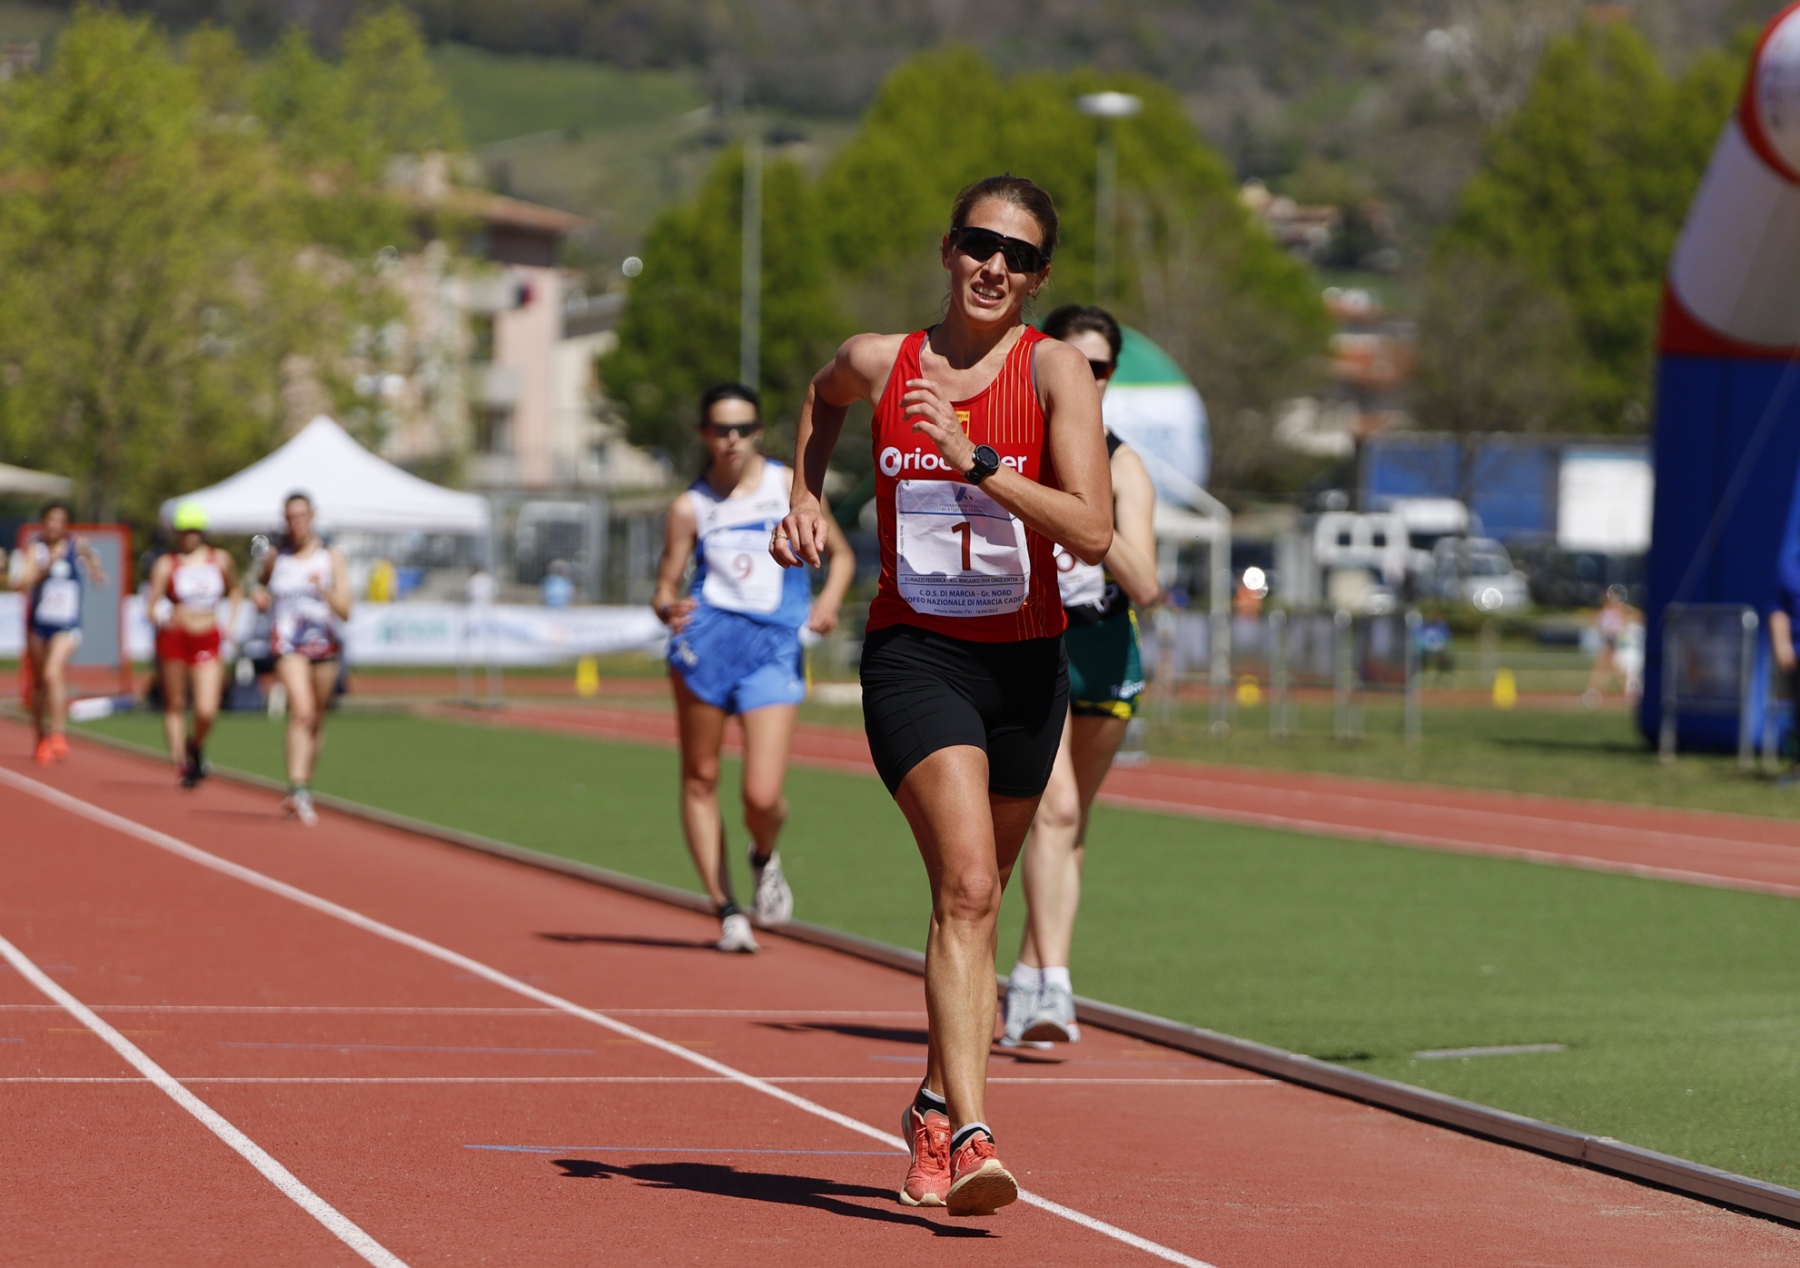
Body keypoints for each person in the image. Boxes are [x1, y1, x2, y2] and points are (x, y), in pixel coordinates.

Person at [773, 175, 1113, 1216]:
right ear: (948, 247)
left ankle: (929, 1099)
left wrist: (978, 461)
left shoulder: (1055, 370)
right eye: (978, 243)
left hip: (1028, 667)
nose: (993, 266)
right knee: (966, 887)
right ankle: (971, 1135)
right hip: (916, 655)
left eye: (1018, 256)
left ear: (1039, 277)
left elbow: (1092, 529)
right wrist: (803, 492)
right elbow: (820, 398)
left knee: (978, 896)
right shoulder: (883, 361)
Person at [1002, 304, 1160, 1048]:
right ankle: (1054, 988)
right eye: (1070, 361)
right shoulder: (1015, 449)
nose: (1083, 377)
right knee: (1055, 807)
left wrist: (1089, 514)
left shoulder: (1124, 464)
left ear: (1110, 374)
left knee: (1072, 822)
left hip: (1105, 647)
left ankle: (1027, 973)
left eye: (1097, 367)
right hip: (1037, 641)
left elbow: (1147, 584)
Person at [652, 383, 855, 954]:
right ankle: (726, 909)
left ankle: (763, 855)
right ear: (704, 434)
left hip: (773, 650)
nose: (732, 439)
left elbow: (840, 554)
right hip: (705, 648)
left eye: (743, 428)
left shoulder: (787, 486)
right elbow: (665, 583)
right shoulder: (689, 506)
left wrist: (828, 601)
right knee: (700, 778)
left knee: (761, 796)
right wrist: (667, 608)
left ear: (759, 431)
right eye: (721, 429)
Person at [253, 492, 351, 826]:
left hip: (324, 645)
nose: (296, 523)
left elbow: (346, 610)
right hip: (288, 646)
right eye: (290, 517)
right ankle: (296, 787)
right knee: (303, 711)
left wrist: (324, 590)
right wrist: (259, 598)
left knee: (317, 718)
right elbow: (259, 587)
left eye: (302, 516)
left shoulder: (330, 557)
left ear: (312, 517)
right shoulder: (276, 557)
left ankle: (305, 783)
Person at [149, 503, 243, 788]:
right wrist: (161, 616)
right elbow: (151, 604)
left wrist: (231, 623)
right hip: (176, 637)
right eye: (183, 531)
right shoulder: (166, 564)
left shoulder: (220, 559)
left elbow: (236, 590)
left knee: (206, 708)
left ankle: (195, 744)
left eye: (193, 531)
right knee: (176, 702)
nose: (188, 536)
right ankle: (182, 764)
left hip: (208, 637)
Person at [17, 501, 106, 765]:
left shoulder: (76, 545)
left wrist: (95, 570)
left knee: (52, 673)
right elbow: (21, 582)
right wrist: (45, 568)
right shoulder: (36, 549)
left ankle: (58, 732)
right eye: (50, 520)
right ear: (43, 523)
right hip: (39, 625)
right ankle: (40, 736)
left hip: (66, 625)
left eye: (60, 521)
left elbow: (93, 562)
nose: (55, 526)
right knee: (39, 684)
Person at [1583, 585, 1639, 707]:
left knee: (1608, 669)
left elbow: (1628, 621)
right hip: (1610, 642)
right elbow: (1600, 626)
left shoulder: (1619, 611)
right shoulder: (1606, 612)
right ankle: (1595, 691)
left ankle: (1594, 692)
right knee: (1610, 669)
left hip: (1615, 644)